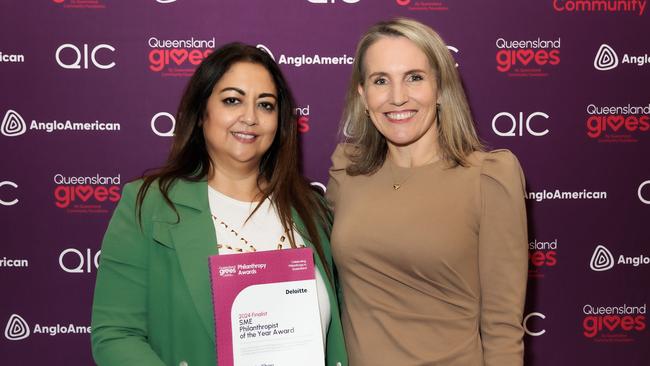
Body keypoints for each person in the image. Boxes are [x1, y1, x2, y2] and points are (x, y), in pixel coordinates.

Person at [91, 42, 348, 366]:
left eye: (266, 105)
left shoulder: (313, 209)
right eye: (232, 100)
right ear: (202, 113)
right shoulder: (150, 205)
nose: (250, 117)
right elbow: (115, 335)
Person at [326, 18, 527, 366]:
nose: (397, 97)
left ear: (440, 87)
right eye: (380, 81)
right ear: (363, 94)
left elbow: (502, 329)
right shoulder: (347, 169)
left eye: (414, 78)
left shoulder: (488, 177)